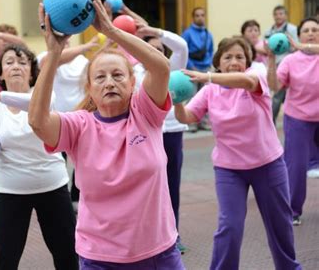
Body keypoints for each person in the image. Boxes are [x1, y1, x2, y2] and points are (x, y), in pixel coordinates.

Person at [29, 0, 184, 269]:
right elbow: (38, 122)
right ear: (89, 88)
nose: (109, 82)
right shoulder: (79, 126)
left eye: (117, 75)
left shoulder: (145, 113)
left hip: (159, 252)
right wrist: (54, 53)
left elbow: (161, 68)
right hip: (101, 257)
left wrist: (110, 30)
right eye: (100, 77)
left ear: (132, 83)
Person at [174, 37, 301, 270]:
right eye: (228, 57)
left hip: (268, 165)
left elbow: (244, 80)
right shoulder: (210, 91)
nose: (234, 62)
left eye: (239, 57)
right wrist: (177, 101)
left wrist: (206, 76)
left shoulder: (256, 74)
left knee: (280, 224)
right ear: (219, 62)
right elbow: (187, 117)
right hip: (229, 169)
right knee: (230, 226)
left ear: (248, 61)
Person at [0, 44, 78, 270]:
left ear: (32, 71)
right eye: (9, 62)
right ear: (0, 72)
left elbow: (38, 106)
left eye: (23, 62)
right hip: (11, 190)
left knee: (68, 256)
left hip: (52, 185)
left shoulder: (45, 95)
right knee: (4, 262)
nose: (16, 67)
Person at [136, 23, 189, 254]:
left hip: (172, 133)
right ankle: (147, 237)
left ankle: (173, 235)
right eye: (152, 49)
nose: (158, 52)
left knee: (171, 186)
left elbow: (182, 47)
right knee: (146, 188)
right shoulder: (134, 74)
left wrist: (155, 32)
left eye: (160, 49)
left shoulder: (172, 69)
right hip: (146, 135)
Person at [267, 17, 319, 225]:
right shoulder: (290, 60)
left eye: (315, 29)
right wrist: (271, 60)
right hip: (298, 119)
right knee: (295, 167)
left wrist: (301, 46)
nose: (311, 33)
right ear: (299, 35)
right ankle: (293, 211)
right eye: (306, 30)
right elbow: (276, 85)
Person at [37, 35, 99, 207]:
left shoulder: (82, 61)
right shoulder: (46, 57)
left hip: (80, 119)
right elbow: (56, 60)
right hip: (57, 121)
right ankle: (61, 199)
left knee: (82, 160)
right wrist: (86, 46)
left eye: (66, 38)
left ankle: (76, 197)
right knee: (58, 162)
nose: (64, 40)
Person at [264, 5, 298, 124]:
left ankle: (270, 121)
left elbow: (296, 46)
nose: (278, 16)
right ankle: (270, 121)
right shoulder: (269, 31)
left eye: (281, 13)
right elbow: (266, 48)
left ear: (286, 15)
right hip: (274, 66)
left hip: (289, 66)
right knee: (276, 95)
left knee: (279, 96)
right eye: (276, 14)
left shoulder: (292, 29)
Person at [181, 7, 214, 131]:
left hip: (205, 69)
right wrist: (191, 66)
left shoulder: (208, 34)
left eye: (202, 15)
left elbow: (211, 51)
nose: (200, 17)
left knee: (206, 97)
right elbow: (184, 51)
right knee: (192, 96)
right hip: (192, 68)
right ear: (193, 18)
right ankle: (191, 122)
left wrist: (209, 64)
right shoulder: (187, 33)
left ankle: (204, 122)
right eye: (197, 15)